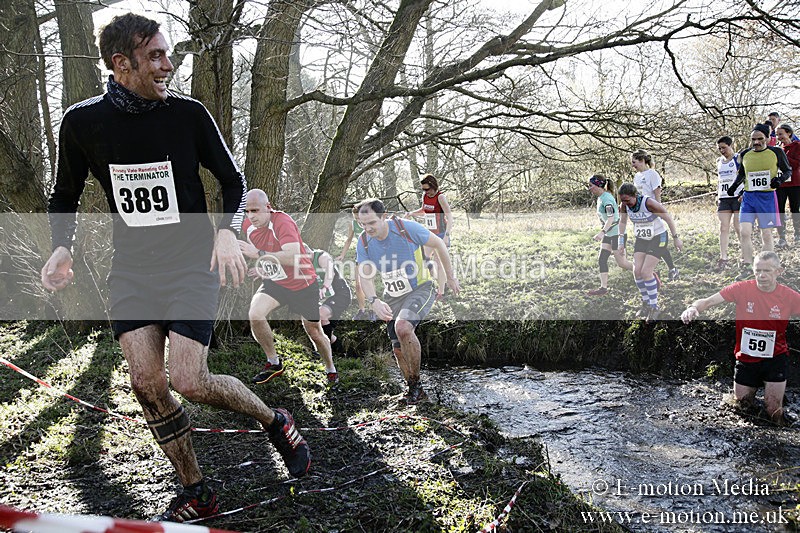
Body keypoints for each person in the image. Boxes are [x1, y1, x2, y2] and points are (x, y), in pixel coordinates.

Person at [40, 14, 309, 522]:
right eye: (156, 56)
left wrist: (226, 233)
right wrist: (61, 248)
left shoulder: (188, 114)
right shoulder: (82, 122)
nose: (168, 65)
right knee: (146, 384)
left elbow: (233, 181)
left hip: (191, 265)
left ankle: (275, 420)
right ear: (121, 63)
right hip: (132, 272)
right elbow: (65, 194)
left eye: (167, 54)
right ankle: (196, 489)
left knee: (189, 379)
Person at [356, 198, 460, 404]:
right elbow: (365, 276)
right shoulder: (364, 241)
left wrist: (450, 277)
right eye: (363, 224)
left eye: (372, 223)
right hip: (393, 295)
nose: (368, 229)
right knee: (397, 348)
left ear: (384, 217)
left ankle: (415, 385)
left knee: (403, 327)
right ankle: (414, 391)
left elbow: (439, 243)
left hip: (421, 288)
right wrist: (374, 301)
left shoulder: (405, 228)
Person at [681, 251, 800, 426]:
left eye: (767, 271)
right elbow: (708, 301)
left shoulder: (789, 296)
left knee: (773, 410)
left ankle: (784, 432)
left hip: (775, 358)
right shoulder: (741, 289)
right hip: (746, 358)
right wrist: (693, 308)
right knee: (742, 407)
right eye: (758, 270)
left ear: (778, 271)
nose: (761, 275)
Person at [240, 189, 339, 385]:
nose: (251, 216)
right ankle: (274, 362)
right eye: (247, 211)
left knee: (314, 332)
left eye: (255, 211)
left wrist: (259, 254)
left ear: (268, 207)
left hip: (302, 284)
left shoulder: (282, 222)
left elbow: (293, 256)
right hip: (276, 282)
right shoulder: (247, 225)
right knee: (255, 314)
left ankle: (331, 370)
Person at [727, 123, 791, 281]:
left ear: (768, 138)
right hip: (749, 198)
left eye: (760, 139)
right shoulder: (745, 154)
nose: (756, 142)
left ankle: (767, 267)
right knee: (744, 232)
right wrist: (734, 187)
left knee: (766, 234)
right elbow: (742, 174)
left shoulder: (776, 152)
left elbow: (788, 170)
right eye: (753, 139)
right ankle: (747, 265)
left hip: (766, 198)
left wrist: (779, 180)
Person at [617, 183, 683, 322]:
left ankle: (654, 306)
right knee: (637, 271)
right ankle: (646, 302)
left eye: (627, 200)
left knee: (646, 272)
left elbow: (668, 218)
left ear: (635, 195)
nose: (626, 203)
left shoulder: (649, 203)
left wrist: (676, 238)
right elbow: (622, 222)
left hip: (658, 237)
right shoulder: (624, 205)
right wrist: (621, 241)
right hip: (642, 238)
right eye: (623, 200)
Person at [631, 149, 679, 281]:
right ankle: (663, 269)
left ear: (642, 161)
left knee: (656, 239)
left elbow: (657, 194)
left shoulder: (652, 174)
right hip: (641, 213)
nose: (633, 165)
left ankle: (670, 269)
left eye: (634, 162)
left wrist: (659, 210)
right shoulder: (637, 176)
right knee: (649, 240)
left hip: (652, 210)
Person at [408, 174, 454, 298]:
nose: (425, 192)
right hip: (429, 234)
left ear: (433, 186)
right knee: (425, 259)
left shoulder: (440, 197)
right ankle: (439, 281)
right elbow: (424, 211)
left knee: (438, 262)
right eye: (423, 189)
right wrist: (411, 213)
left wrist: (446, 235)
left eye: (427, 189)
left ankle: (441, 291)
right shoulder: (425, 196)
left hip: (441, 233)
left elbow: (450, 217)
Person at [585, 175, 633, 295]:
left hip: (616, 234)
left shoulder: (607, 199)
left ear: (598, 185)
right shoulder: (601, 198)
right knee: (602, 259)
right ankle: (603, 288)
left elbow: (611, 218)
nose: (589, 188)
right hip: (609, 233)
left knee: (622, 263)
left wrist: (602, 232)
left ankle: (649, 273)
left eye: (591, 186)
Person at [306, 243, 352, 356]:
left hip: (340, 294)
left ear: (308, 252)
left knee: (322, 315)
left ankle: (322, 350)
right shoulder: (300, 263)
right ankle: (341, 352)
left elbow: (330, 272)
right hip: (323, 298)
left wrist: (325, 287)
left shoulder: (322, 257)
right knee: (320, 324)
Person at [337, 205, 372, 320]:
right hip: (360, 255)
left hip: (372, 254)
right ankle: (362, 310)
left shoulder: (370, 223)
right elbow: (348, 240)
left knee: (369, 282)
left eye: (359, 218)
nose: (358, 220)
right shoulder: (353, 224)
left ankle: (372, 310)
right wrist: (342, 255)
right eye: (356, 218)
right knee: (358, 284)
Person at [714, 136, 743, 271]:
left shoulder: (738, 159)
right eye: (719, 148)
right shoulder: (719, 161)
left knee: (738, 227)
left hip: (737, 197)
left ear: (731, 146)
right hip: (724, 198)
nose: (722, 151)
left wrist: (743, 192)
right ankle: (723, 257)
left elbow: (744, 176)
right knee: (723, 228)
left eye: (724, 148)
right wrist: (717, 194)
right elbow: (720, 179)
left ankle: (745, 254)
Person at [775, 124, 800, 248]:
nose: (779, 137)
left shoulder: (797, 146)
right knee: (779, 210)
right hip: (780, 183)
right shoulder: (777, 148)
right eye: (777, 135)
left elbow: (796, 164)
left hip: (794, 183)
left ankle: (797, 234)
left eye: (781, 134)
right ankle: (782, 237)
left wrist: (783, 158)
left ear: (789, 133)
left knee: (795, 209)